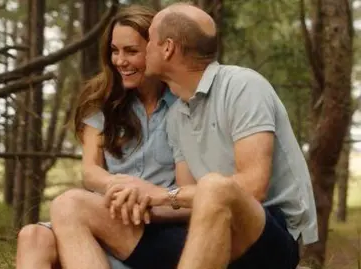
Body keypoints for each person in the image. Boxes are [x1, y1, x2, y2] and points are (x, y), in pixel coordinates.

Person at [106, 2, 319, 269]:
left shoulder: (243, 86)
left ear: (168, 48)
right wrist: (139, 200)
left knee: (215, 186)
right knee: (76, 204)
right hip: (211, 230)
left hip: (271, 235)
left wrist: (160, 194)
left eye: (150, 41)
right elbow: (182, 202)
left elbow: (253, 186)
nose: (145, 47)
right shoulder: (177, 116)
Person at [16, 5, 189, 269]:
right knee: (32, 236)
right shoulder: (102, 100)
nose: (120, 61)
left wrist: (145, 197)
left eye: (131, 51)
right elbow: (90, 171)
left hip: (160, 220)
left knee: (69, 203)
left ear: (156, 51)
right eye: (114, 50)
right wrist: (122, 189)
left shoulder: (183, 105)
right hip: (110, 211)